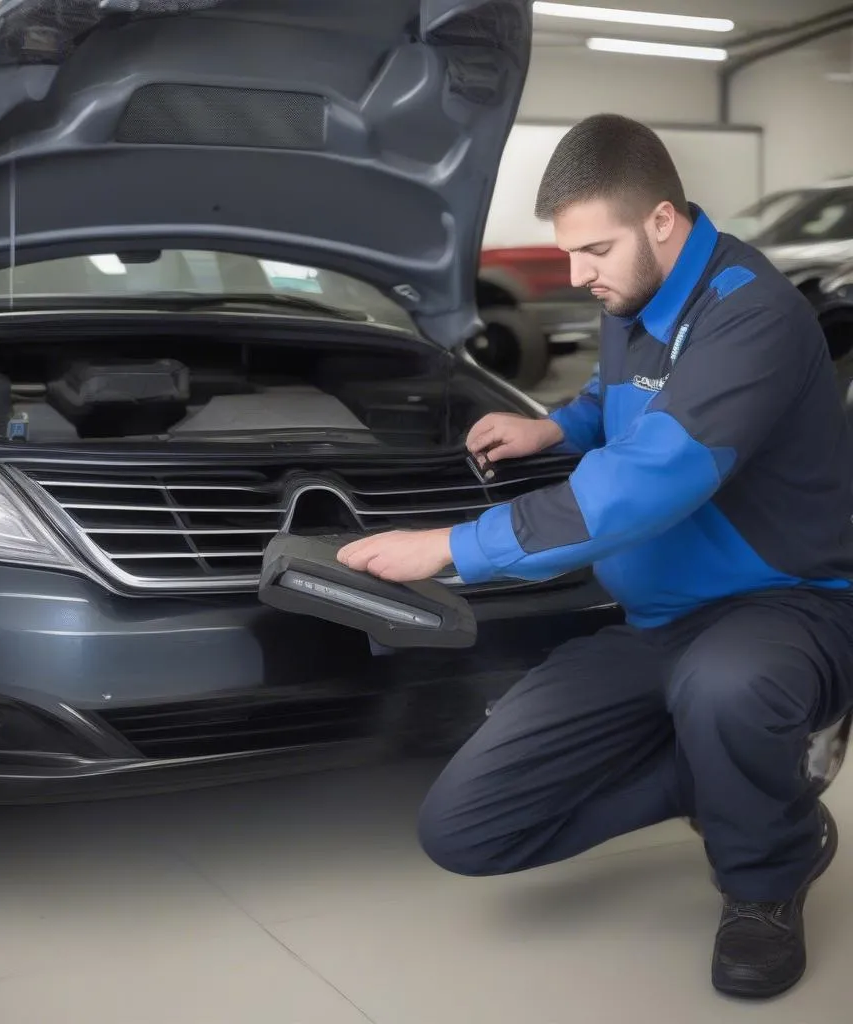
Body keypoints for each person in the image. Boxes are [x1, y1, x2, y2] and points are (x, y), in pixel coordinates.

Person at [337, 113, 853, 1000]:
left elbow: (649, 478)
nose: (578, 277)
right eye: (568, 252)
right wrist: (554, 424)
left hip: (784, 606)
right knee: (463, 831)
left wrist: (451, 548)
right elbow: (620, 398)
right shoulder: (634, 293)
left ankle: (768, 871)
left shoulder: (751, 315)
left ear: (662, 218)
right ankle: (722, 775)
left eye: (594, 251)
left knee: (727, 688)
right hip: (655, 622)